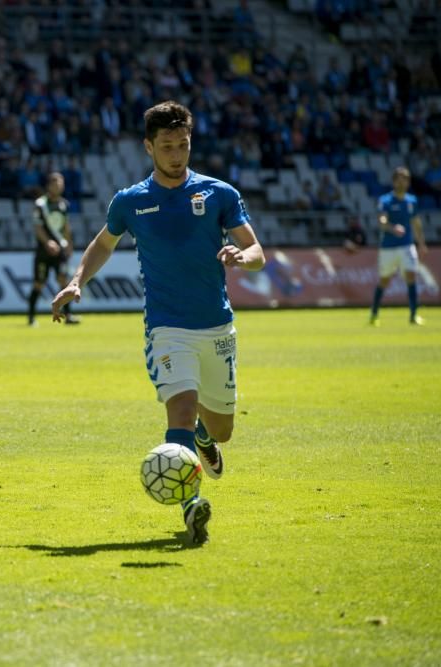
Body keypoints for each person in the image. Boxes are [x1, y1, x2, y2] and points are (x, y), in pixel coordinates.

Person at [51, 101, 265, 545]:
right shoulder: (131, 201)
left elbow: (256, 250)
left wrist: (243, 257)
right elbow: (103, 244)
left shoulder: (219, 193)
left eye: (183, 144)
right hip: (167, 329)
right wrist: (76, 281)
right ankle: (191, 505)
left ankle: (206, 437)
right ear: (149, 147)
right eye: (166, 146)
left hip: (217, 327)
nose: (176, 154)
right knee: (181, 410)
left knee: (222, 427)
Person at [369, 166, 428, 326]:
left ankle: (413, 314)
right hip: (388, 247)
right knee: (384, 281)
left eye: (405, 178)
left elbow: (416, 222)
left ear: (408, 182)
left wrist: (421, 243)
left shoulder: (412, 201)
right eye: (399, 178)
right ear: (394, 181)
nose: (402, 181)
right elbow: (381, 221)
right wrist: (392, 227)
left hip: (407, 246)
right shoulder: (385, 200)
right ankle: (374, 314)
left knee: (411, 276)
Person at [29, 172, 80, 326]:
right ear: (49, 185)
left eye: (61, 183)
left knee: (64, 282)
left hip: (61, 251)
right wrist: (48, 243)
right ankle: (31, 318)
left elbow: (65, 227)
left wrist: (69, 244)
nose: (59, 186)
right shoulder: (40, 204)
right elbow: (38, 227)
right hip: (44, 252)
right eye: (56, 183)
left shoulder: (63, 204)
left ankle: (68, 315)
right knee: (39, 283)